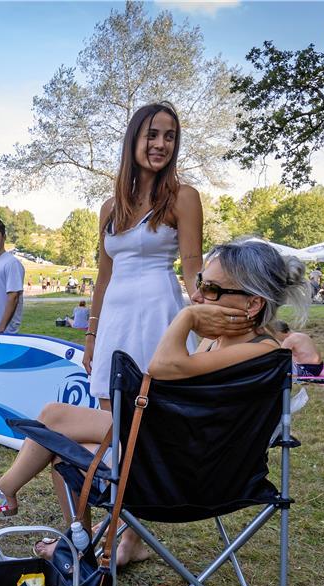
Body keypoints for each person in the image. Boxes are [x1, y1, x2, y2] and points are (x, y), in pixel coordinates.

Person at [0, 240, 309, 567]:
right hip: (173, 445)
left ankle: (71, 543)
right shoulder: (222, 341)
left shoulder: (259, 352)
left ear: (253, 304)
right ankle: (8, 492)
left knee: (62, 450)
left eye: (212, 289)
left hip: (186, 475)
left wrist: (186, 318)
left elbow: (161, 369)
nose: (199, 296)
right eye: (200, 282)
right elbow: (170, 385)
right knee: (53, 415)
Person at [84, 102, 203, 409]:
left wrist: (208, 309)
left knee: (160, 407)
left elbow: (192, 265)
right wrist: (91, 334)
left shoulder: (183, 197)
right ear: (134, 139)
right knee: (109, 409)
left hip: (159, 312)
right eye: (152, 135)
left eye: (170, 137)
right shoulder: (109, 207)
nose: (161, 144)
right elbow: (103, 277)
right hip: (114, 317)